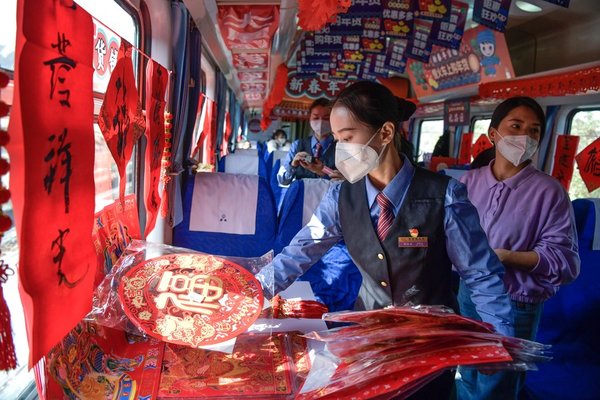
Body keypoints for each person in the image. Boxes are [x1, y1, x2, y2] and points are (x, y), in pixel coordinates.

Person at [257, 81, 514, 399]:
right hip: (366, 342)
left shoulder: (443, 195)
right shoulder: (340, 197)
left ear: (386, 133)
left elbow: (481, 273)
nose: (341, 150)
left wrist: (500, 336)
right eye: (337, 140)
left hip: (428, 348)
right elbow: (298, 253)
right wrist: (251, 293)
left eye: (348, 137)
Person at [455, 96, 580, 400]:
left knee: (497, 385)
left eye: (534, 130)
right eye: (516, 126)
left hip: (516, 302)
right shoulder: (468, 182)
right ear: (493, 134)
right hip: (468, 295)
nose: (525, 136)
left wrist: (507, 257)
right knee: (463, 374)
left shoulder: (549, 192)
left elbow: (565, 261)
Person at [277, 98, 341, 185]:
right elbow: (283, 180)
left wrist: (322, 170)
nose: (321, 122)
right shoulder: (297, 145)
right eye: (316, 117)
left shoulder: (340, 147)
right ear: (309, 118)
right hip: (301, 195)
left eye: (326, 118)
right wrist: (292, 165)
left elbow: (343, 182)